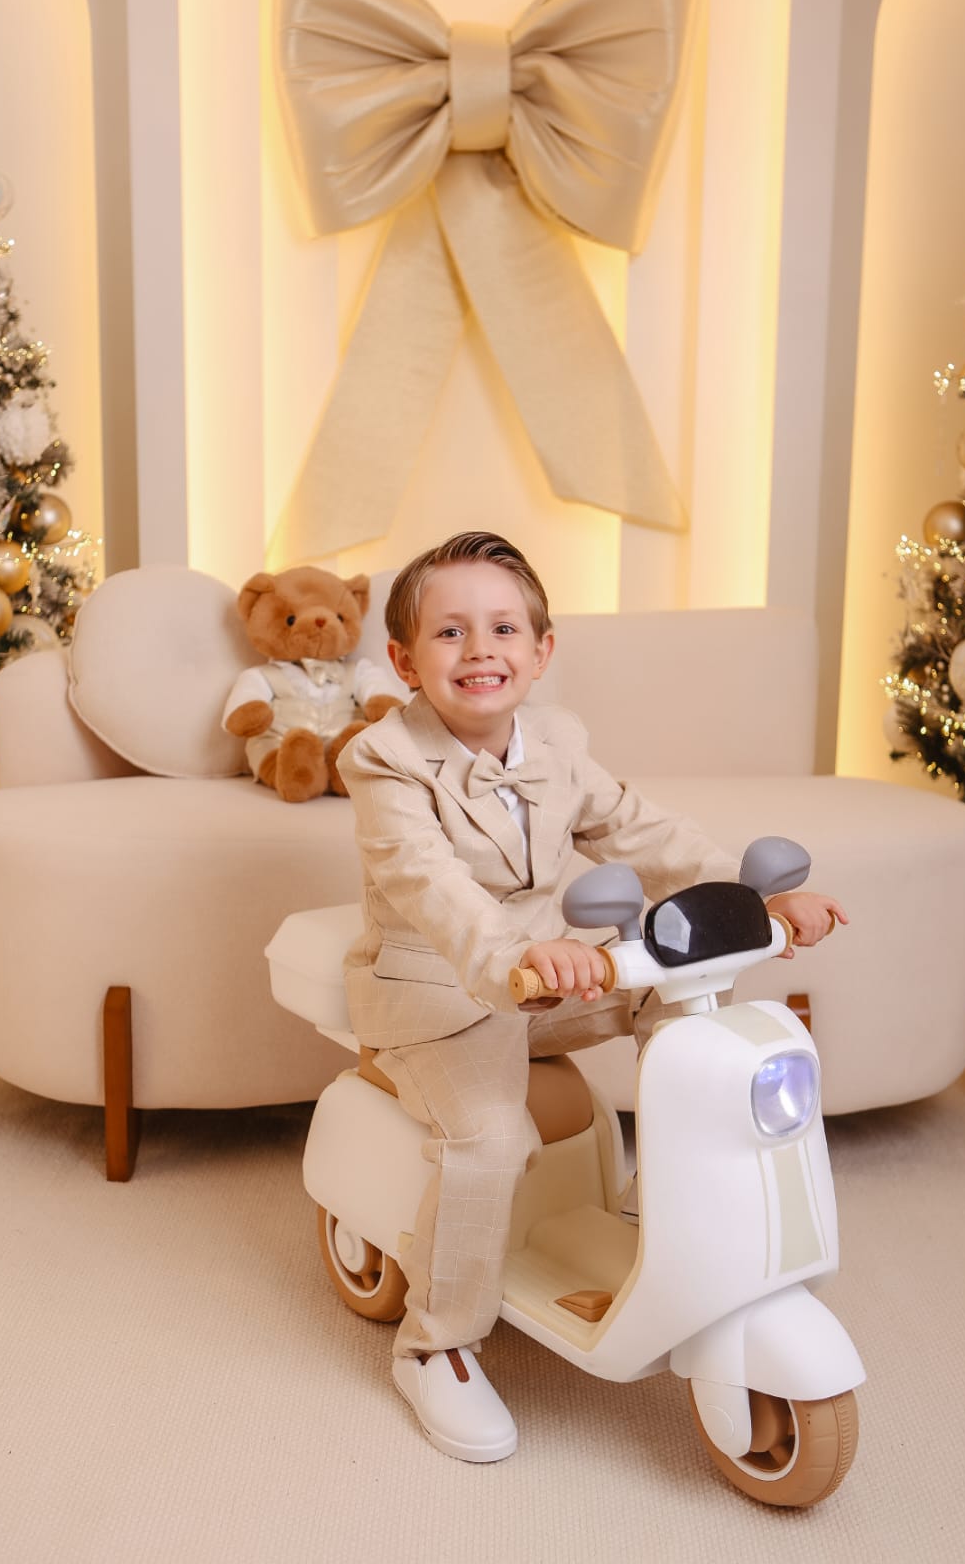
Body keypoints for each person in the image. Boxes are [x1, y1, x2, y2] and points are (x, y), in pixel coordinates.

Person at [337, 531, 847, 1464]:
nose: (480, 649)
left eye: (503, 629)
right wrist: (520, 952)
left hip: (553, 978)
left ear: (541, 651)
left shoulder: (560, 741)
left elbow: (640, 830)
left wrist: (752, 898)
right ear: (405, 661)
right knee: (492, 1139)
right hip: (445, 991)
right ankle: (435, 1345)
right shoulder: (382, 759)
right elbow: (426, 885)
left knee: (687, 997)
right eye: (449, 632)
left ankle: (675, 1204)